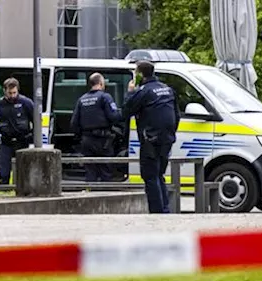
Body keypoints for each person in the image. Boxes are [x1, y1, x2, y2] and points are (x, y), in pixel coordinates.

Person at [123, 61, 180, 214]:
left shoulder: (143, 92)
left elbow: (127, 110)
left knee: (150, 175)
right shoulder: (167, 89)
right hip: (167, 139)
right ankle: (165, 209)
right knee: (159, 174)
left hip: (150, 140)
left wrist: (130, 92)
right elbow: (177, 115)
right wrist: (170, 134)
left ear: (141, 74)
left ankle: (157, 212)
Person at [69, 73, 123, 182]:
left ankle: (91, 195)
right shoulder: (105, 97)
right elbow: (114, 117)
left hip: (86, 140)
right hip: (103, 141)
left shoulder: (81, 99)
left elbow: (73, 123)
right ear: (101, 83)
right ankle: (105, 195)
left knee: (90, 170)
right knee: (105, 170)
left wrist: (81, 135)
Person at [0, 78, 37, 185]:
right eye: (10, 93)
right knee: (4, 171)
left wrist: (34, 140)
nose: (12, 96)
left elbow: (36, 122)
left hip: (23, 141)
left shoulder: (26, 103)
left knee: (24, 171)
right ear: (4, 91)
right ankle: (4, 190)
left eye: (14, 93)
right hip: (6, 142)